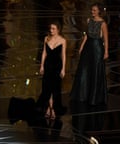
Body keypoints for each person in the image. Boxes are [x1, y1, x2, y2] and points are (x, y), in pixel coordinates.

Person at [70, 2, 108, 136]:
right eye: (92, 10)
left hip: (97, 47)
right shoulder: (89, 20)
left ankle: (94, 97)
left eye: (94, 10)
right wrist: (81, 47)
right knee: (84, 71)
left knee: (95, 71)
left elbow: (105, 38)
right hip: (88, 47)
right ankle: (82, 94)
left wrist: (106, 51)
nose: (92, 12)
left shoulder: (103, 23)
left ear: (98, 11)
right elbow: (86, 35)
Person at [36, 21, 67, 120]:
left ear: (58, 29)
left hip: (57, 66)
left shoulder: (63, 40)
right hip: (48, 65)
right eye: (50, 28)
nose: (51, 30)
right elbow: (44, 53)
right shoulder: (46, 38)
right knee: (47, 88)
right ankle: (49, 109)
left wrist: (63, 69)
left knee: (55, 89)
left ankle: (53, 109)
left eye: (53, 29)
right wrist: (41, 66)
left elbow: (63, 55)